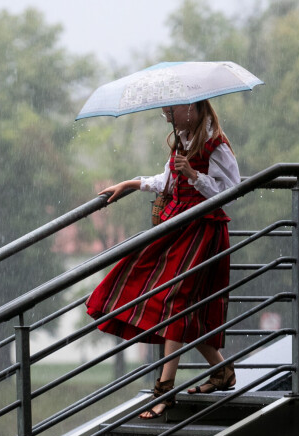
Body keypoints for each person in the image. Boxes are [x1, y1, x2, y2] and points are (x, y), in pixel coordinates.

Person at [86, 99, 240, 419]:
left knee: (176, 303)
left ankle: (165, 390)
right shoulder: (181, 140)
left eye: (172, 109)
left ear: (194, 108)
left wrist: (195, 176)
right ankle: (222, 371)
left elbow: (232, 190)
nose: (166, 114)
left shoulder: (215, 145)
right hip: (177, 227)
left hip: (202, 231)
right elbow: (168, 182)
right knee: (169, 299)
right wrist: (131, 184)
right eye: (165, 110)